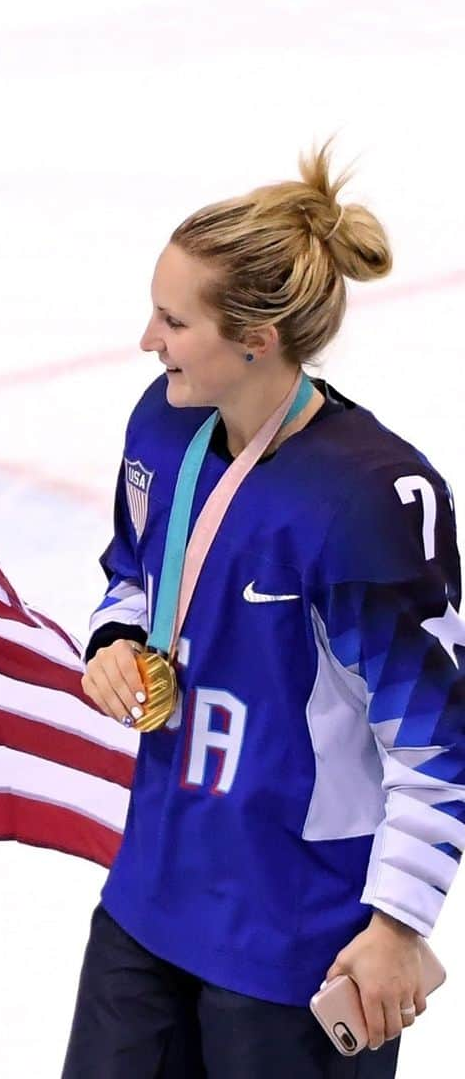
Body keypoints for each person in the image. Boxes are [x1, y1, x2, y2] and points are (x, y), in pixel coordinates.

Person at [63, 146, 464, 1077]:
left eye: (173, 319)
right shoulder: (163, 426)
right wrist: (116, 639)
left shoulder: (368, 499)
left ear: (257, 336)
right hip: (148, 904)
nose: (146, 340)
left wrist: (399, 926)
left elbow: (438, 742)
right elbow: (133, 574)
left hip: (296, 942)